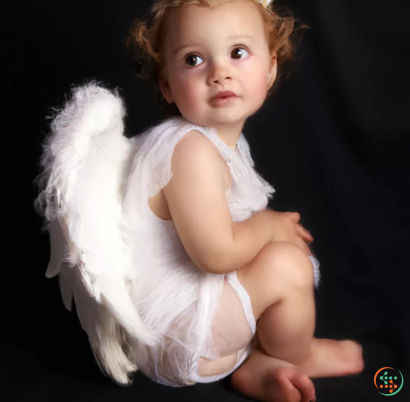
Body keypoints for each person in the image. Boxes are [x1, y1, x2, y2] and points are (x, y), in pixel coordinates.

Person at [35, 1, 364, 401]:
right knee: (286, 264)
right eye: (193, 59)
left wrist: (269, 233)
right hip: (180, 336)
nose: (219, 72)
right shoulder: (190, 150)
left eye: (237, 53)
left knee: (272, 251)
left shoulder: (218, 142)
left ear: (270, 66)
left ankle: (253, 365)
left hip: (194, 325)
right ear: (167, 85)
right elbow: (216, 255)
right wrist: (270, 227)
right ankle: (300, 352)